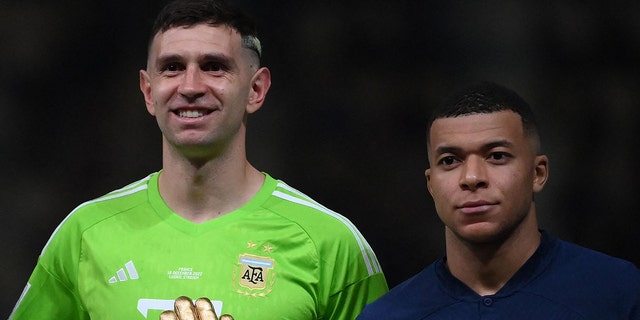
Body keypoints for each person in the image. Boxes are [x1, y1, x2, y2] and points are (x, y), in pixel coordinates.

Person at [9, 0, 388, 318]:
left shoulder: (331, 244)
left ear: (256, 89)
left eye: (214, 67)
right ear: (148, 90)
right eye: (172, 67)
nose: (190, 87)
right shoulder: (84, 235)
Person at [357, 81, 640, 319]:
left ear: (538, 173)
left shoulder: (617, 292)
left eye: (497, 156)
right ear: (430, 184)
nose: (471, 177)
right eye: (450, 160)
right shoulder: (388, 315)